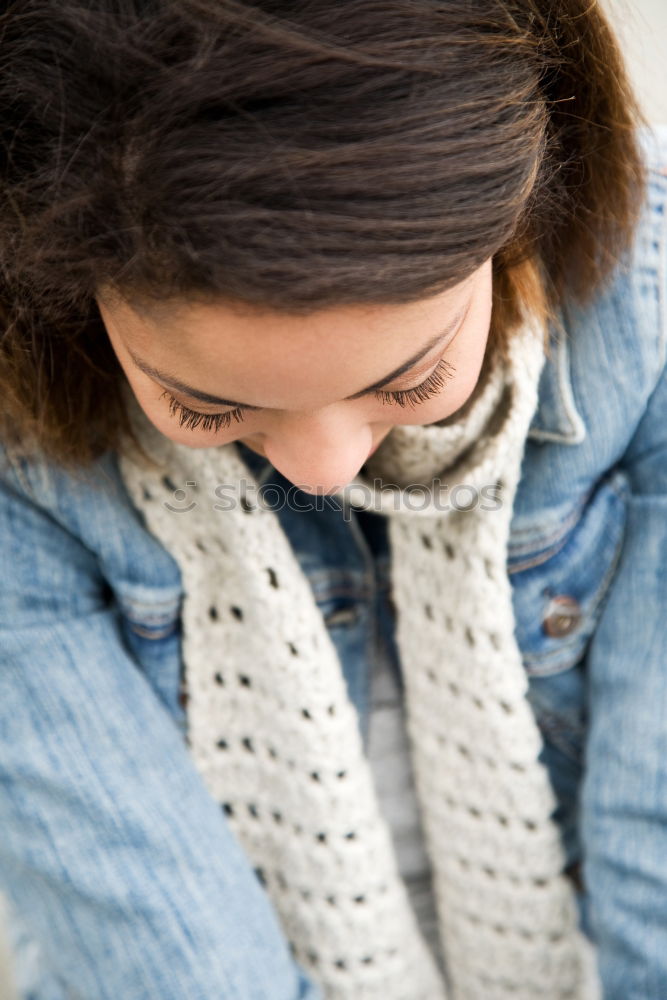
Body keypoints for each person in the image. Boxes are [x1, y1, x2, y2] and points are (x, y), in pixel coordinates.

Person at [0, 1, 665, 997]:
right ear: (59, 289)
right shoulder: (24, 445)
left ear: (525, 212)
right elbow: (170, 958)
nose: (322, 467)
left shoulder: (643, 303)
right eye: (204, 402)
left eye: (406, 379)